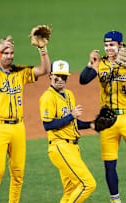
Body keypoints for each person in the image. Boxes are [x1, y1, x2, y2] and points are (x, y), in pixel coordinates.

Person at [79, 31, 126, 203]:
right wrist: (90, 64)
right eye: (106, 45)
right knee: (109, 164)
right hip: (108, 120)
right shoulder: (101, 64)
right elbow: (83, 80)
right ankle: (115, 200)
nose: (108, 48)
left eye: (112, 45)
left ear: (121, 45)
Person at [0, 35, 50, 203]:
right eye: (6, 53)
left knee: (18, 174)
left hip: (18, 128)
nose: (10, 56)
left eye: (11, 53)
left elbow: (44, 70)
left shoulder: (19, 71)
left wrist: (42, 49)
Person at [39, 60, 97, 203]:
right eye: (57, 76)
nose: (61, 80)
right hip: (60, 147)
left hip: (73, 148)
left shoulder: (69, 94)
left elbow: (73, 122)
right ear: (50, 76)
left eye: (64, 77)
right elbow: (48, 125)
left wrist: (91, 125)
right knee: (88, 184)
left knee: (70, 191)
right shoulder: (48, 97)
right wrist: (71, 115)